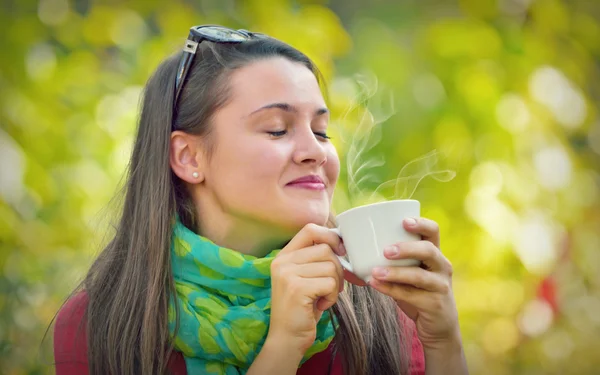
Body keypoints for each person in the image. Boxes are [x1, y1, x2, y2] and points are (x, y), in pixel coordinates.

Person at [53, 25, 468, 375]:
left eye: (321, 131)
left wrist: (443, 341)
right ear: (188, 156)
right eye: (276, 129)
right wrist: (284, 345)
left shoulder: (378, 310)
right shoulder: (101, 325)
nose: (316, 151)